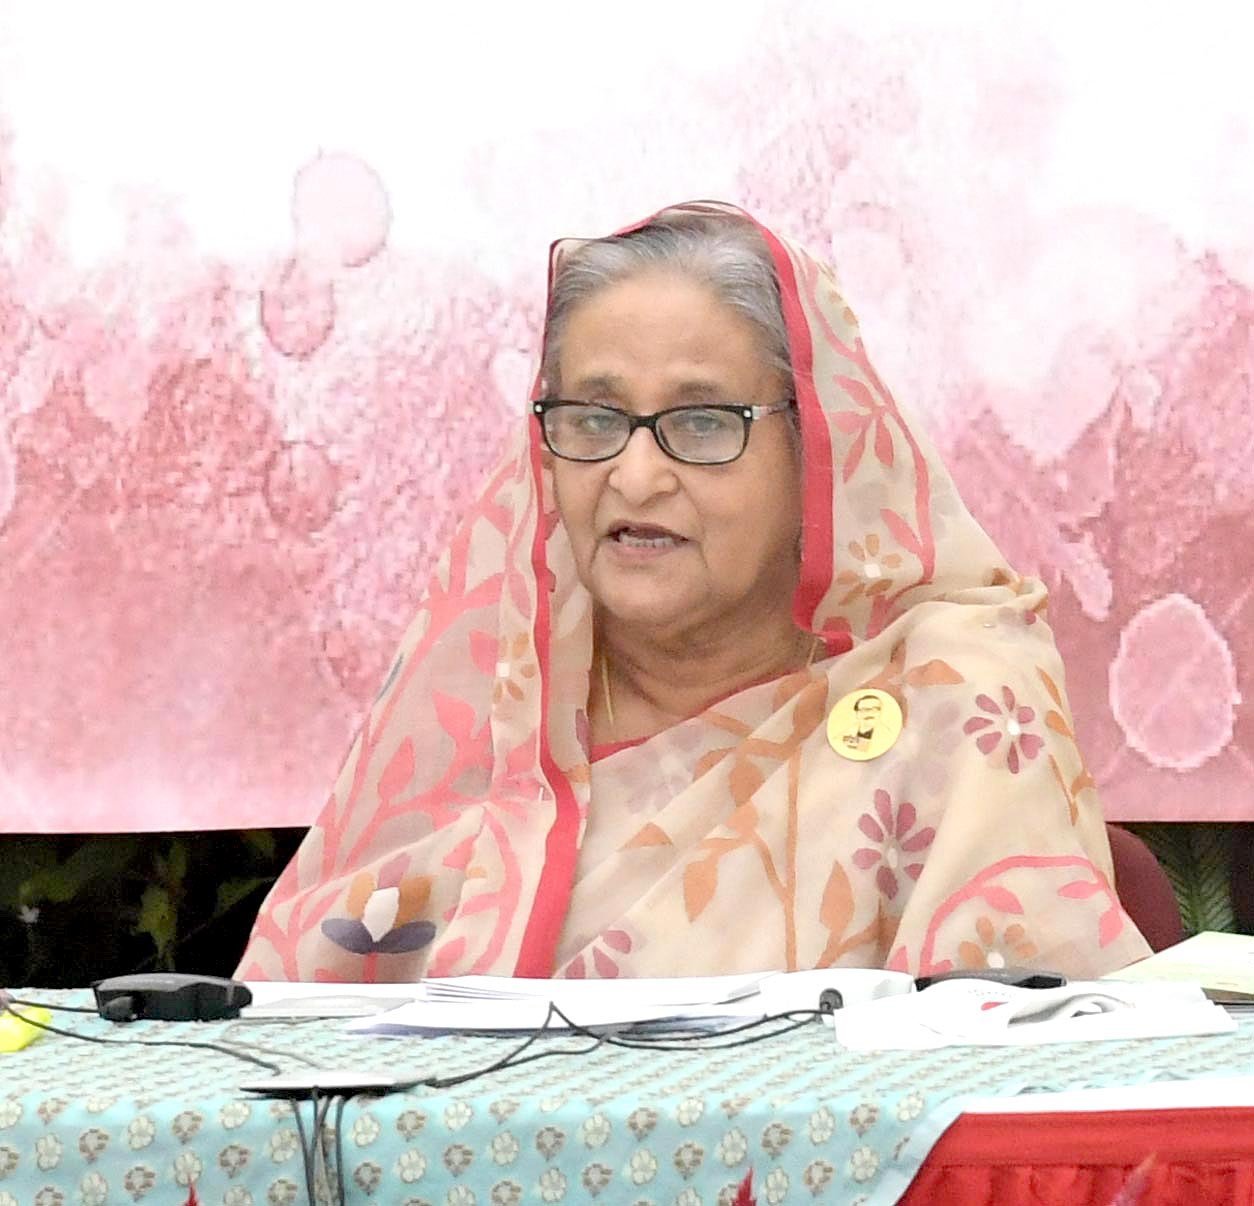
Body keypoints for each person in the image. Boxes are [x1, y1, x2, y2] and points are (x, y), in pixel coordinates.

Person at [237, 201, 1151, 982]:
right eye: (594, 417)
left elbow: (1020, 1079)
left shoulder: (950, 698)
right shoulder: (494, 707)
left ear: (816, 447)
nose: (635, 476)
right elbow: (295, 1043)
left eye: (703, 422)